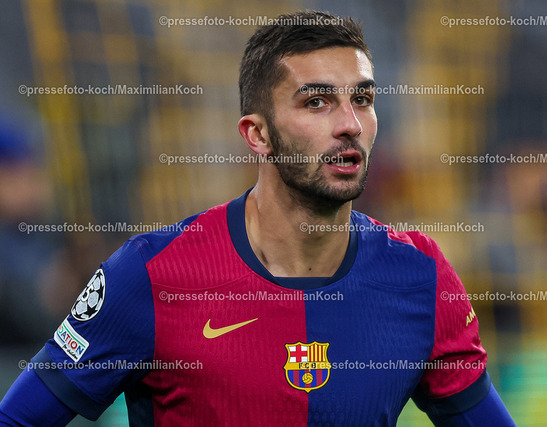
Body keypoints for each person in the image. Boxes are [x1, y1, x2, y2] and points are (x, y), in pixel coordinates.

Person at [0, 11, 515, 426]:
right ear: (258, 134)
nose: (350, 124)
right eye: (317, 102)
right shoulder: (150, 275)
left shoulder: (420, 277)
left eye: (362, 98)